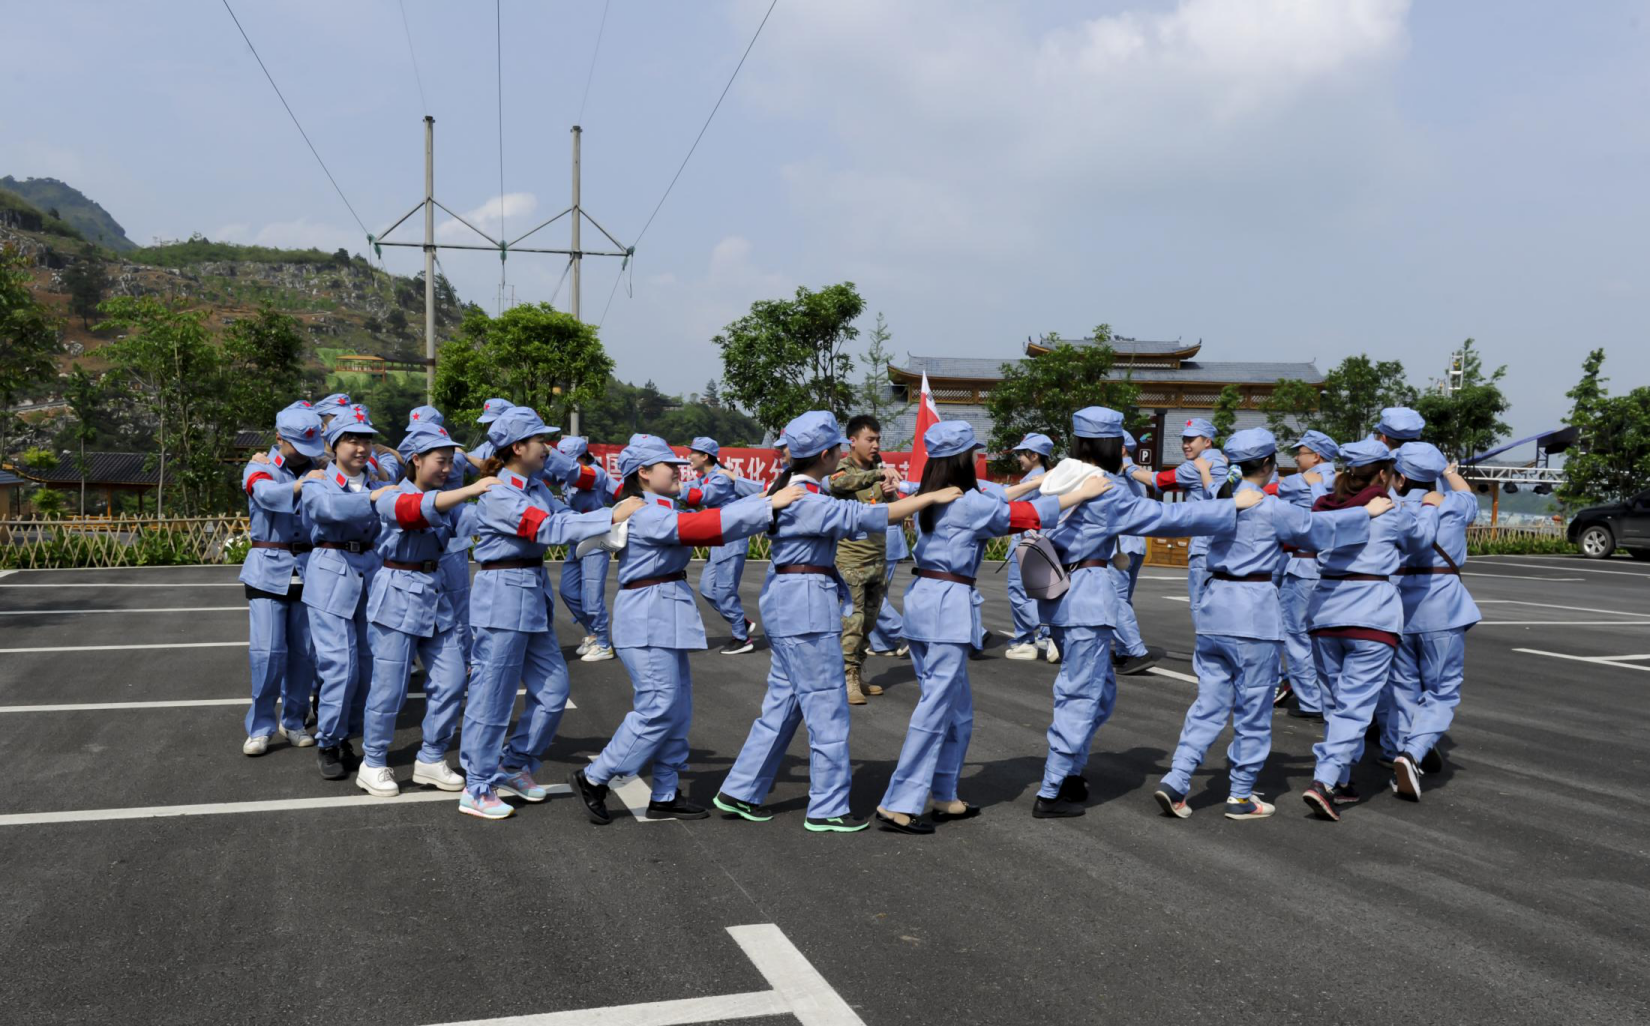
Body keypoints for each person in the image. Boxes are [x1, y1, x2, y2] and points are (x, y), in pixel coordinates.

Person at [714, 412, 959, 832]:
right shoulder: (808, 500)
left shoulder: (796, 488)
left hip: (789, 602)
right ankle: (827, 807)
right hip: (806, 607)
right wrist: (929, 498)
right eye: (840, 449)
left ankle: (740, 791)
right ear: (827, 454)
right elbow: (867, 517)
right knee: (827, 708)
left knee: (783, 705)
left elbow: (841, 492)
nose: (845, 454)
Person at [1033, 407, 1260, 819]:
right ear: (1108, 444)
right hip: (1087, 599)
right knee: (1082, 697)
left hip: (1063, 595)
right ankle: (1051, 790)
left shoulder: (1060, 475)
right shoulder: (1103, 486)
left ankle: (1069, 773)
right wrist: (1233, 507)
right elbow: (1166, 516)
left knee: (1098, 693)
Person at [872, 421, 1097, 834]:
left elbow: (999, 497)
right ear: (961, 458)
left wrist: (1046, 480)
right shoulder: (967, 503)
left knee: (957, 711)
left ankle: (944, 794)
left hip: (926, 600)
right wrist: (1080, 493)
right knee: (937, 709)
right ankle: (899, 803)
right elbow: (1023, 514)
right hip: (946, 606)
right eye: (973, 453)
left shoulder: (940, 494)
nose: (978, 457)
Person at [1152, 429, 1386, 821]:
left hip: (1213, 611)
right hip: (1253, 613)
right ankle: (1241, 795)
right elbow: (1321, 529)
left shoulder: (1220, 499)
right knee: (1253, 709)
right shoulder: (1272, 507)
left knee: (1207, 705)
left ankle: (1177, 779)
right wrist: (1366, 512)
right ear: (1267, 464)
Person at [570, 436, 805, 825]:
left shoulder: (660, 506)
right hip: (647, 616)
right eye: (669, 466)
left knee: (677, 711)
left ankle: (664, 792)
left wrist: (763, 498)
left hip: (662, 612)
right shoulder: (646, 512)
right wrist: (766, 505)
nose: (679, 470)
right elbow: (699, 527)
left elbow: (709, 515)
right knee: (658, 706)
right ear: (643, 474)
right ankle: (595, 778)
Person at [459, 407, 641, 820]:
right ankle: (477, 784)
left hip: (530, 592)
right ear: (517, 447)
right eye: (541, 441)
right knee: (493, 695)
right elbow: (545, 529)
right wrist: (611, 514)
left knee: (554, 690)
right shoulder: (498, 492)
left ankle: (515, 764)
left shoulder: (535, 486)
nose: (548, 448)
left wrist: (603, 521)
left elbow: (562, 518)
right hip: (502, 595)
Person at [1300, 437, 1443, 821]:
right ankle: (1324, 781)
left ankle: (1342, 781)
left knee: (1333, 703)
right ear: (1384, 473)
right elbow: (1421, 540)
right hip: (1371, 613)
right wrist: (1430, 509)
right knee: (1356, 707)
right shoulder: (1390, 509)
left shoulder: (1327, 506)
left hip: (1326, 611)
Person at [355, 423, 500, 797]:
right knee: (389, 688)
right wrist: (471, 489)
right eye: (441, 461)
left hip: (435, 597)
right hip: (396, 594)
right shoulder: (390, 495)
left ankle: (432, 757)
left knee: (452, 680)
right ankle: (372, 762)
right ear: (416, 460)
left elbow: (477, 519)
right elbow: (411, 512)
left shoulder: (447, 498)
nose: (448, 469)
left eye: (452, 462)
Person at [1385, 443, 1479, 799]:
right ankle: (1413, 752)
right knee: (1441, 690)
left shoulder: (1390, 507)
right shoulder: (1453, 505)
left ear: (1401, 476)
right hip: (1443, 606)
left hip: (1398, 608)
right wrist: (1448, 471)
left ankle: (1406, 755)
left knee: (1404, 689)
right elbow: (1467, 494)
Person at [301, 404, 389, 781]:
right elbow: (327, 510)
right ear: (333, 445)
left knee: (367, 668)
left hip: (369, 574)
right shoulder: (317, 480)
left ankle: (346, 738)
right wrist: (374, 498)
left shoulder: (375, 482)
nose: (360, 447)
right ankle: (328, 742)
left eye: (366, 439)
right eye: (351, 439)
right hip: (331, 576)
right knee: (341, 666)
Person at [239, 403, 326, 755]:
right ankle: (260, 726)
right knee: (268, 652)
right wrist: (305, 485)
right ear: (279, 439)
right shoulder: (259, 467)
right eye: (297, 446)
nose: (304, 455)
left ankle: (293, 720)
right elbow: (265, 495)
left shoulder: (319, 469)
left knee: (304, 654)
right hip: (266, 568)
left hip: (308, 567)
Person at [829, 415, 904, 704]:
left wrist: (891, 493)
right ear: (853, 441)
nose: (875, 445)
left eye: (878, 439)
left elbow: (894, 511)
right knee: (853, 622)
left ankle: (857, 673)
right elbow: (841, 484)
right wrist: (879, 474)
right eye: (869, 439)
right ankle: (845, 678)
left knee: (869, 623)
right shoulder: (842, 468)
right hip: (850, 562)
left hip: (877, 559)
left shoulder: (876, 471)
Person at [1133, 418, 1227, 629]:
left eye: (1191, 439)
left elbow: (1158, 481)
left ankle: (1208, 656)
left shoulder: (1196, 467)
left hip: (1204, 547)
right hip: (1226, 545)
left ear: (1207, 442)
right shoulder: (1222, 462)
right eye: (1184, 439)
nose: (1186, 444)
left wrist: (1127, 466)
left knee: (1200, 605)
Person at [1273, 430, 1340, 717]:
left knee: (1295, 634)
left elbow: (1280, 490)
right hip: (1330, 568)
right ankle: (1328, 699)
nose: (1296, 458)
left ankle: (1311, 701)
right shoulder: (1339, 480)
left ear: (1316, 456)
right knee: (1322, 636)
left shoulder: (1300, 482)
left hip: (1303, 565)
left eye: (1300, 453)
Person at [684, 436, 766, 654]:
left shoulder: (720, 479)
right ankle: (742, 623)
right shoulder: (705, 478)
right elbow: (691, 489)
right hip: (718, 541)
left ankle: (742, 638)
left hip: (731, 541)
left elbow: (701, 496)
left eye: (693, 453)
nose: (689, 456)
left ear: (704, 456)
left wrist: (672, 489)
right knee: (706, 589)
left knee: (725, 592)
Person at [556, 435, 623, 663]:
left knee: (592, 596)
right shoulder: (567, 476)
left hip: (595, 537)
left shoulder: (595, 474)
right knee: (568, 591)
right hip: (575, 538)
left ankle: (604, 643)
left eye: (572, 461)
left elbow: (622, 493)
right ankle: (593, 633)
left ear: (583, 457)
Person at [1109, 430, 1161, 675]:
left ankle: (1137, 651)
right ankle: (1123, 651)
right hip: (1136, 545)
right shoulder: (1136, 473)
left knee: (1114, 600)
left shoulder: (1112, 473)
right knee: (1123, 599)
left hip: (1117, 546)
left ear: (1121, 449)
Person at [1004, 433, 1055, 661]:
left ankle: (1029, 638)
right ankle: (1046, 636)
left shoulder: (1034, 482)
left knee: (1018, 592)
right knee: (1043, 592)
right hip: (1044, 543)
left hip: (1026, 542)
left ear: (1034, 455)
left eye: (1021, 454)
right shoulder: (1050, 478)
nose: (1019, 459)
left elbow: (1010, 506)